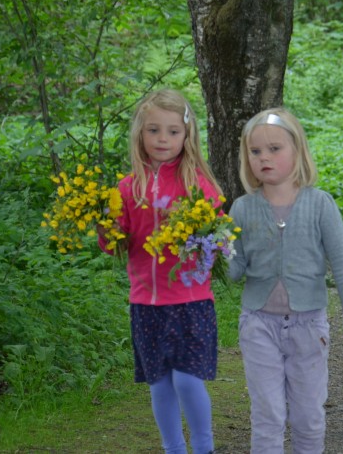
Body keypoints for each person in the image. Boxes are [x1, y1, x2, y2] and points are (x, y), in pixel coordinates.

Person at [228, 107, 343, 453]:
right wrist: (208, 249)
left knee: (308, 415)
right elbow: (234, 270)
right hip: (258, 325)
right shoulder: (242, 209)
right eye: (255, 151)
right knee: (267, 414)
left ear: (298, 151)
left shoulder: (320, 204)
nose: (264, 158)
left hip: (309, 326)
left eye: (275, 149)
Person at [97, 89, 221, 454]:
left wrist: (194, 241)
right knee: (159, 383)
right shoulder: (126, 187)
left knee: (186, 379)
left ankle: (204, 447)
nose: (162, 139)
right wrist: (104, 226)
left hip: (190, 300)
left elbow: (217, 240)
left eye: (172, 131)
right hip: (145, 304)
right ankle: (173, 449)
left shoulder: (198, 184)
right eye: (153, 130)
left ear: (187, 135)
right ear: (140, 134)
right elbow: (113, 245)